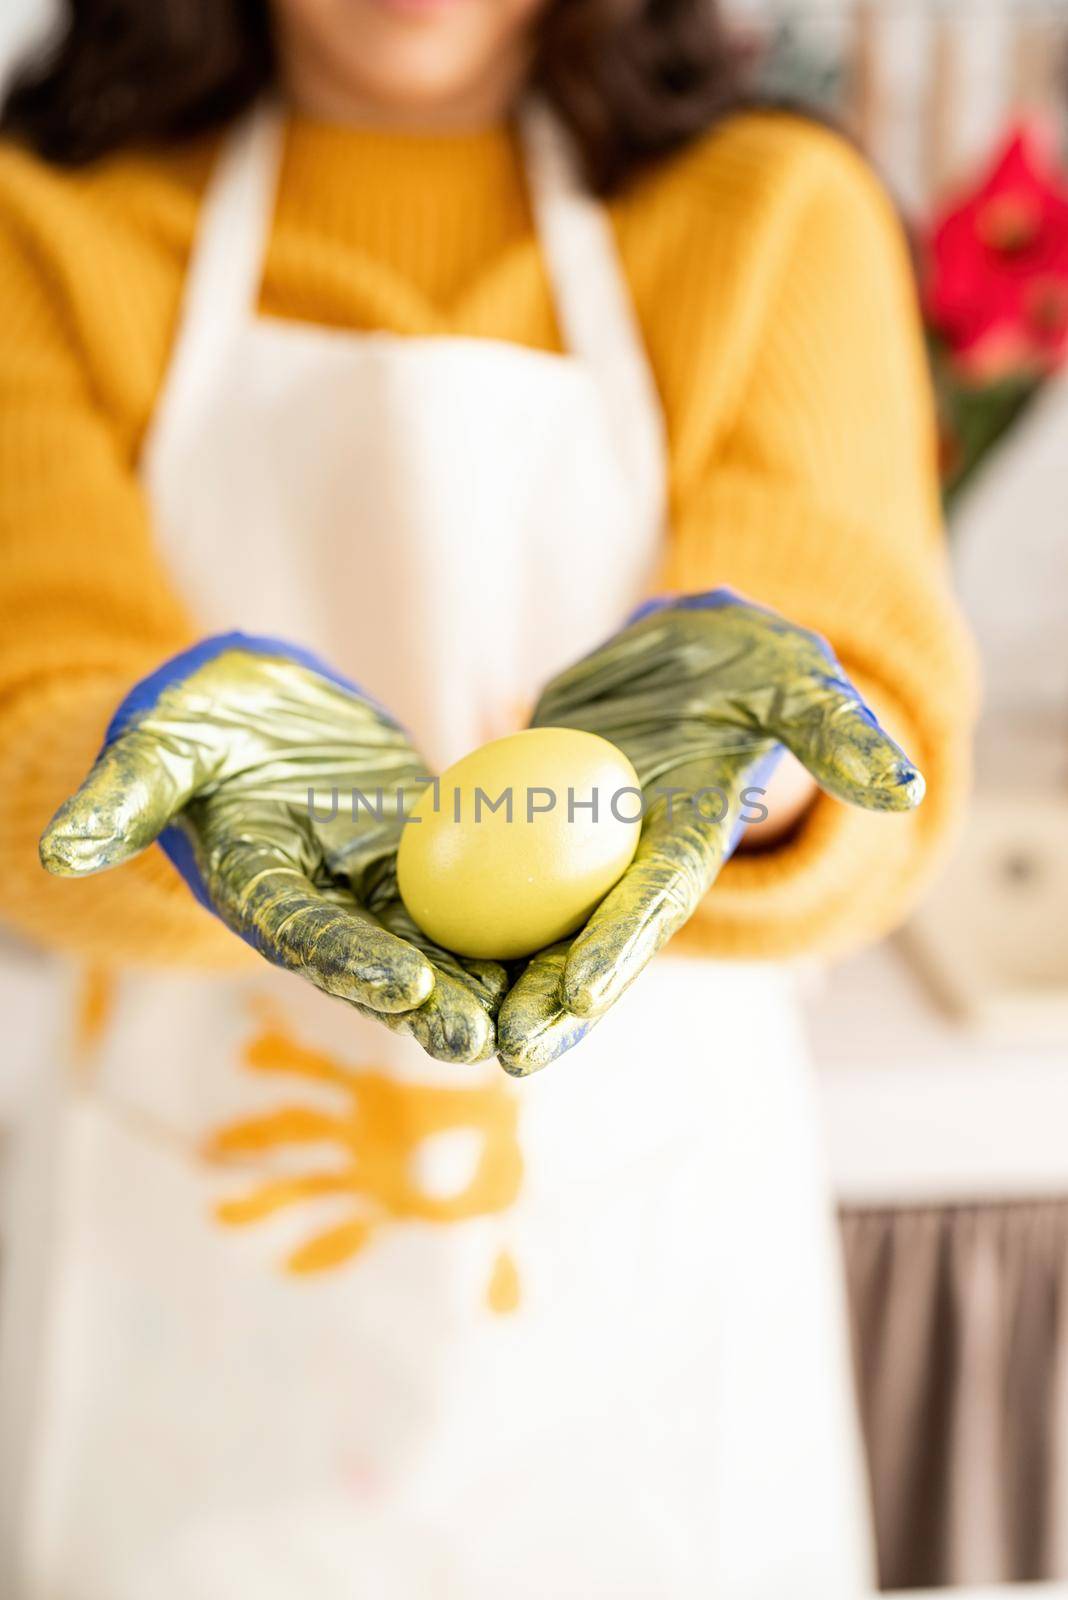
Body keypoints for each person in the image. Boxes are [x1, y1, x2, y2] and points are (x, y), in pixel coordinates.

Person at [0, 2, 975, 1595]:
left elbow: (865, 679)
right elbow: (22, 701)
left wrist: (759, 772)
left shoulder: (769, 213)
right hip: (196, 1345)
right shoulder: (44, 227)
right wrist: (175, 785)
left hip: (649, 1343)